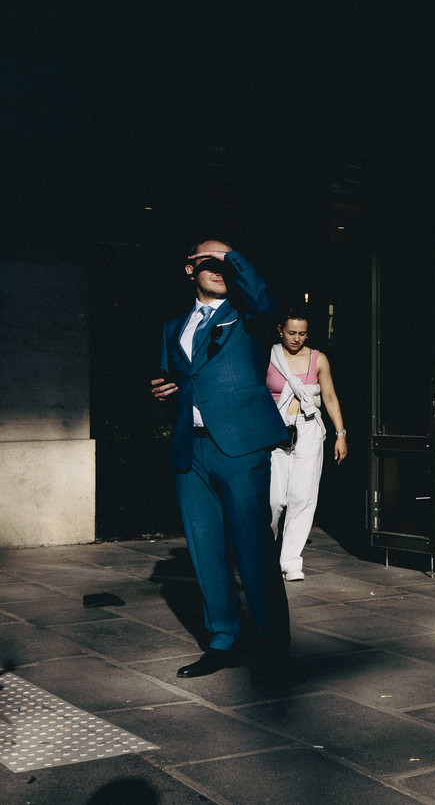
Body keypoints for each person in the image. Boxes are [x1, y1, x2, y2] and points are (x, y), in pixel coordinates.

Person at [150, 241, 292, 680]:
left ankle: (271, 643)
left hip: (240, 447)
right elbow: (171, 378)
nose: (218, 269)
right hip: (190, 450)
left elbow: (263, 297)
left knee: (252, 545)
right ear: (188, 268)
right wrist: (161, 392)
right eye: (207, 262)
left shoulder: (248, 317)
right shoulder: (173, 327)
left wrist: (228, 256)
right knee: (204, 548)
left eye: (225, 262)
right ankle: (223, 640)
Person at [266, 308, 347, 582]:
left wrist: (341, 433)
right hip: (275, 430)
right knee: (274, 499)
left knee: (303, 498)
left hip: (309, 428)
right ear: (280, 330)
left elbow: (331, 397)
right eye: (291, 333)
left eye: (302, 333)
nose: (296, 338)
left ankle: (290, 561)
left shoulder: (318, 359)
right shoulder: (269, 356)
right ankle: (265, 553)